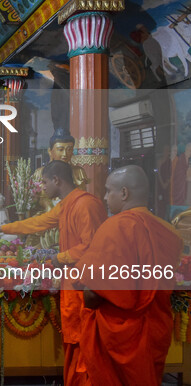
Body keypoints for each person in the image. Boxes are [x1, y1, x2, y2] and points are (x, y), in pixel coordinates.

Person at [0, 160, 107, 385]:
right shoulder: (66, 204)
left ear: (57, 180)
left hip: (85, 285)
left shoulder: (85, 205)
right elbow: (38, 223)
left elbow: (92, 246)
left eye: (45, 182)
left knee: (84, 344)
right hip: (72, 282)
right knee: (74, 341)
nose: (43, 187)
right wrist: (1, 228)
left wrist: (59, 258)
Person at [75, 165, 182, 385]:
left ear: (124, 193)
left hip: (120, 335)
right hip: (156, 330)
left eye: (108, 191)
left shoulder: (116, 227)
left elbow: (93, 295)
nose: (104, 197)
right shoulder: (168, 231)